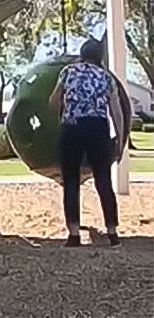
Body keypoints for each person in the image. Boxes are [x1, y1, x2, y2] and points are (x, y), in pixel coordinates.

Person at [49, 39, 125, 248]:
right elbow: (115, 110)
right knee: (103, 181)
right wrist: (119, 136)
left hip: (71, 128)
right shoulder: (106, 77)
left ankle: (73, 234)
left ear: (81, 54)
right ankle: (112, 232)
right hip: (97, 129)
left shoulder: (68, 72)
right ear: (100, 56)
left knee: (71, 181)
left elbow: (54, 99)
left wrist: (61, 117)